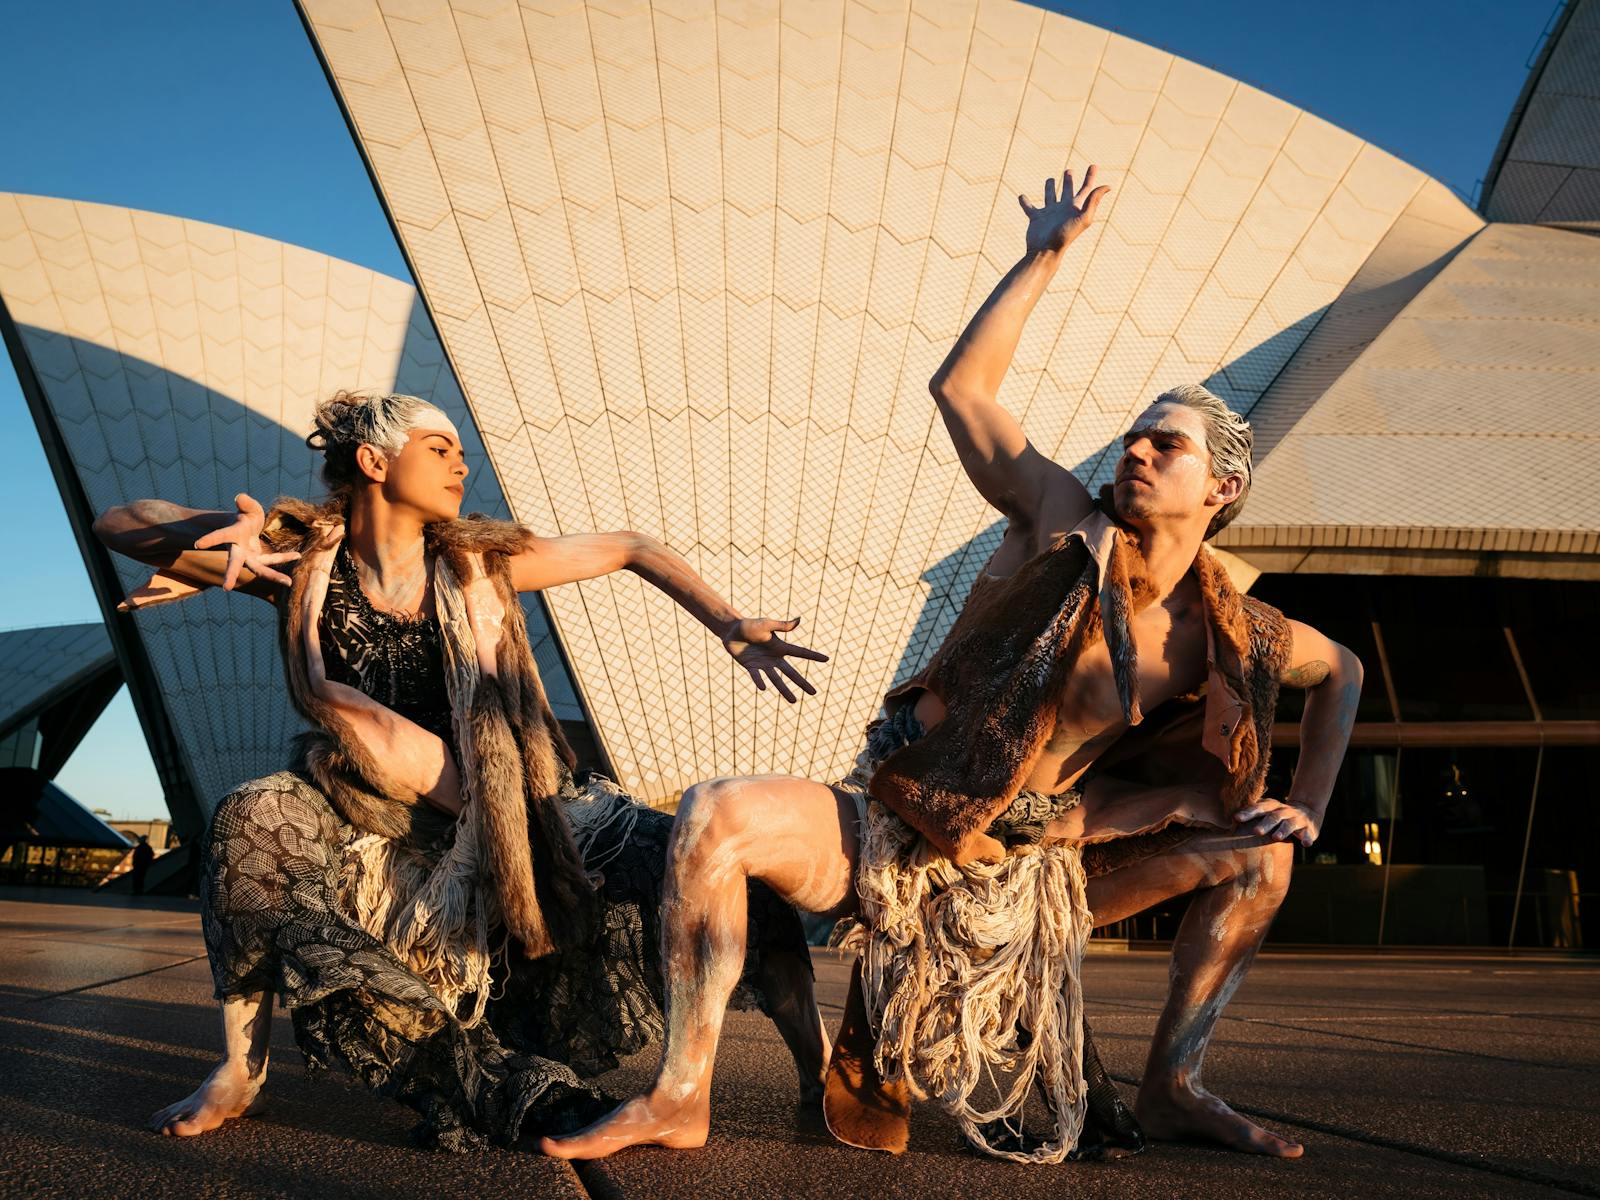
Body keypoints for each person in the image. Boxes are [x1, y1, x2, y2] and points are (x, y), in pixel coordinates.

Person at [542, 165, 1362, 1163]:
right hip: (909, 827)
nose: (1138, 453)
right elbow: (962, 391)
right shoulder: (1062, 523)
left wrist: (1308, 801)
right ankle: (679, 1097)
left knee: (1263, 854)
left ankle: (1176, 1084)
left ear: (1222, 487)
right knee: (717, 813)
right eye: (1135, 438)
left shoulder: (1227, 627)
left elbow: (1344, 673)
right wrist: (1042, 257)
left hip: (1041, 860)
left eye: (1166, 445)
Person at [93, 391, 831, 1149]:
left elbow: (632, 547)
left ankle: (823, 1074)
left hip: (516, 803)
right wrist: (215, 531)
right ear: (374, 461)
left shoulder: (481, 561)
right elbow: (117, 523)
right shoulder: (298, 563)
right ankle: (239, 1071)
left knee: (715, 874)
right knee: (250, 819)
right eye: (438, 448)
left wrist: (728, 623)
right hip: (375, 809)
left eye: (459, 451)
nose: (460, 462)